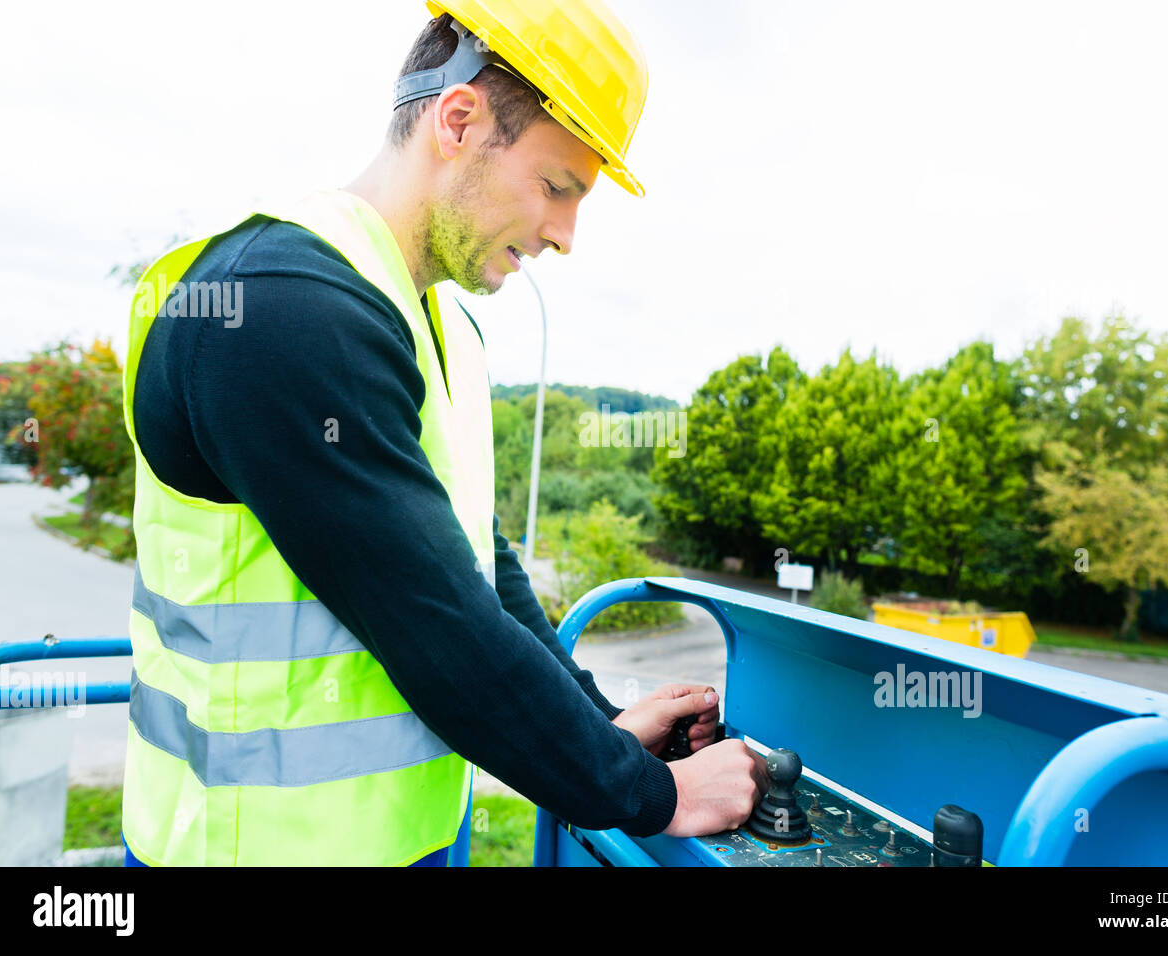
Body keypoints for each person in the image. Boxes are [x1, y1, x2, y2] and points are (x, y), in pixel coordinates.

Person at [119, 0, 766, 866]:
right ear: (457, 121)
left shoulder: (436, 326)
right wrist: (652, 793)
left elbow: (475, 567)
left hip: (408, 844)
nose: (566, 236)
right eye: (557, 187)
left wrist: (602, 722)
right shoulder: (276, 310)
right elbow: (435, 619)